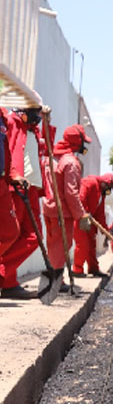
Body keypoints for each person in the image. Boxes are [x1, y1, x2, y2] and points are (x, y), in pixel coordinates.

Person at [0, 107, 46, 299]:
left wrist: (47, 120)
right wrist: (13, 177)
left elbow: (46, 147)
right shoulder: (10, 122)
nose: (38, 117)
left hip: (32, 187)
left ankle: (4, 276)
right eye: (35, 111)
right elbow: (8, 152)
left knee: (34, 236)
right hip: (16, 187)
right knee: (12, 233)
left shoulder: (32, 131)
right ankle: (8, 282)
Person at [41, 124, 93, 286]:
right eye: (83, 142)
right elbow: (71, 193)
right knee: (61, 247)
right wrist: (81, 215)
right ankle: (54, 283)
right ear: (78, 142)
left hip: (48, 209)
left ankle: (57, 280)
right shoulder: (70, 162)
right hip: (62, 213)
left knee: (52, 247)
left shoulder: (52, 158)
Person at [72, 173, 113, 277]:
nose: (109, 190)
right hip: (81, 218)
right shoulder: (90, 182)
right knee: (83, 244)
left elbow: (100, 213)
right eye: (109, 187)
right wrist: (85, 213)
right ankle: (77, 270)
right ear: (105, 182)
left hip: (90, 220)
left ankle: (93, 268)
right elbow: (81, 198)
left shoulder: (101, 193)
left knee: (91, 245)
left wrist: (105, 230)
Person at [0, 111, 23, 279]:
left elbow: (6, 151)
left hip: (2, 181)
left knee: (11, 231)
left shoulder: (3, 117)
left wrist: (13, 175)